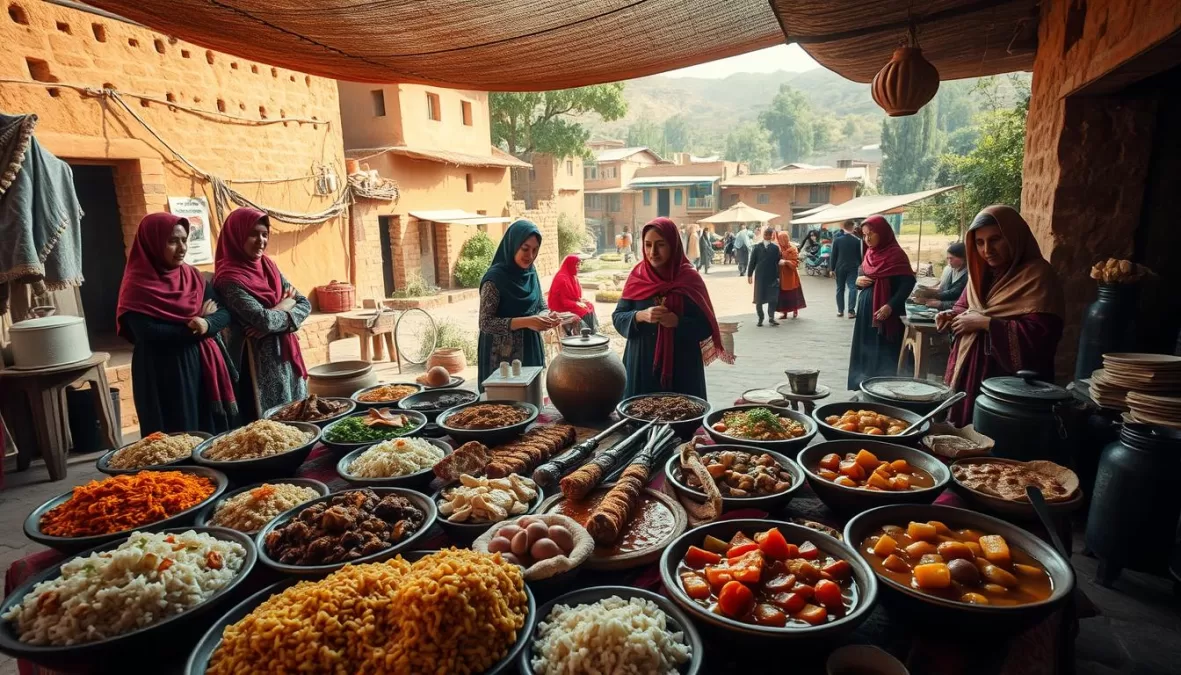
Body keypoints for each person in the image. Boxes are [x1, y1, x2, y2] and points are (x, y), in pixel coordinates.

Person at [937, 206, 1064, 426]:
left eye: (996, 239)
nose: (987, 250)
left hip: (1006, 382)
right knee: (962, 432)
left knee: (996, 442)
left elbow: (1042, 336)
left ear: (1014, 237)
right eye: (979, 242)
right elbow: (965, 306)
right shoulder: (981, 272)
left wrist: (987, 324)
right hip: (969, 368)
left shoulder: (1038, 276)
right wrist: (951, 315)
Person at [117, 213, 238, 435]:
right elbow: (147, 332)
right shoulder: (138, 285)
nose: (182, 248)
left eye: (184, 240)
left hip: (201, 364)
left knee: (207, 431)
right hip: (161, 371)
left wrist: (205, 323)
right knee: (175, 435)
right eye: (172, 241)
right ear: (152, 243)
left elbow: (223, 313)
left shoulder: (192, 276)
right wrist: (197, 328)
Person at [613, 217, 732, 398]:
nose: (653, 252)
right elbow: (618, 316)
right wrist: (640, 315)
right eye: (648, 245)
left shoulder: (689, 279)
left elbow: (706, 326)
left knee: (681, 419)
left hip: (682, 368)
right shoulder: (638, 276)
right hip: (642, 364)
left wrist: (678, 322)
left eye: (660, 245)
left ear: (673, 245)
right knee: (639, 418)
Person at [214, 207, 311, 419]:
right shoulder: (229, 279)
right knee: (269, 424)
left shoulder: (269, 266)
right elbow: (263, 320)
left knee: (297, 415)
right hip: (255, 361)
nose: (260, 240)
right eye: (252, 234)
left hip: (285, 356)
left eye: (264, 234)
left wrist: (274, 316)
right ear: (237, 235)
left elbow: (304, 303)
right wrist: (284, 305)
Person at [477, 219, 561, 390]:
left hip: (530, 349)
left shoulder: (530, 273)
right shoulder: (495, 279)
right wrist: (528, 322)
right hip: (501, 358)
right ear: (513, 245)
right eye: (525, 249)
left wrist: (546, 316)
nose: (530, 256)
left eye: (535, 250)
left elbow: (540, 304)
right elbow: (485, 323)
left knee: (531, 400)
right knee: (504, 408)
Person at [847, 215, 916, 389]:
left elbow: (908, 284)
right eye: (864, 235)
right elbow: (862, 274)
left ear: (883, 233)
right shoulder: (870, 253)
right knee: (865, 348)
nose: (867, 238)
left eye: (871, 233)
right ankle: (863, 386)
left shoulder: (896, 254)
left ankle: (883, 389)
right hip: (866, 313)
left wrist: (890, 306)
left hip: (886, 314)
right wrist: (857, 281)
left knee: (883, 351)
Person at [547, 254, 597, 335]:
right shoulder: (562, 278)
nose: (579, 268)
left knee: (590, 305)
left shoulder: (572, 276)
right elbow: (563, 301)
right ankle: (588, 334)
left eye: (579, 265)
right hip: (560, 307)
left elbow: (575, 295)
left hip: (569, 303)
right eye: (576, 265)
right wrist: (577, 303)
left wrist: (580, 300)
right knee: (584, 311)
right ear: (570, 265)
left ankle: (593, 331)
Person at [914, 242, 968, 311]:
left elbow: (956, 294)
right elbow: (947, 290)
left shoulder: (968, 275)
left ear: (963, 258)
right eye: (948, 258)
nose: (949, 261)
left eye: (951, 258)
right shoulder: (952, 269)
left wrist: (939, 302)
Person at [747, 226, 782, 327]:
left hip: (772, 276)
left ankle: (771, 317)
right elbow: (752, 262)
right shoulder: (757, 247)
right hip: (760, 277)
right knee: (759, 299)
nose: (767, 236)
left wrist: (778, 276)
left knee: (773, 298)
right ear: (763, 235)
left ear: (772, 236)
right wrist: (749, 275)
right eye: (766, 234)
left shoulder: (775, 248)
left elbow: (777, 262)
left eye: (769, 235)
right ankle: (760, 318)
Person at [830, 219, 862, 318]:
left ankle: (840, 311)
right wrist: (861, 265)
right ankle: (851, 311)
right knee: (853, 288)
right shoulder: (857, 241)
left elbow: (833, 255)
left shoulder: (837, 240)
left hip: (840, 267)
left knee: (840, 289)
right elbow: (859, 256)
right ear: (852, 227)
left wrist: (832, 268)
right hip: (853, 267)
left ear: (844, 227)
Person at [775, 231, 806, 319]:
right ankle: (784, 312)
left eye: (781, 239)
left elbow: (795, 263)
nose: (780, 241)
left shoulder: (792, 249)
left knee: (793, 295)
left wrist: (786, 262)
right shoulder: (778, 249)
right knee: (783, 296)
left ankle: (795, 310)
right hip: (781, 276)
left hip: (791, 276)